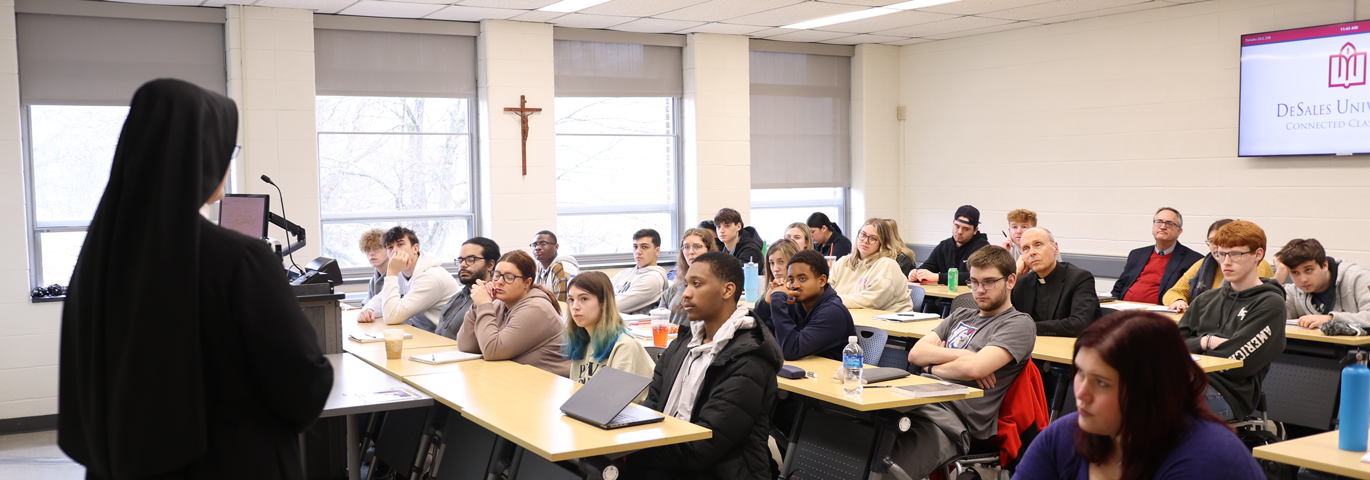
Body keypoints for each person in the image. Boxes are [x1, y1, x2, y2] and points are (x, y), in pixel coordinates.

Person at [59, 79, 332, 480]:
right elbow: (304, 384)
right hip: (231, 462)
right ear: (200, 156)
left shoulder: (95, 260)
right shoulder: (239, 260)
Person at [1014, 312, 1266, 480]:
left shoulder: (1207, 455)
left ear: (1149, 388)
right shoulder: (1064, 435)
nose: (1081, 394)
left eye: (1101, 382)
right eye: (1080, 373)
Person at [625, 252, 782, 479]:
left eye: (697, 284)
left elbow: (701, 447)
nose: (686, 294)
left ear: (727, 290)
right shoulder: (683, 344)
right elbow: (652, 408)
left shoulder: (749, 359)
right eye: (687, 284)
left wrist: (629, 453)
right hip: (666, 462)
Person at [896, 246, 1036, 477]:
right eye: (974, 282)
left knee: (886, 467)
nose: (979, 290)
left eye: (989, 282)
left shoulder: (1018, 324)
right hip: (918, 398)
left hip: (954, 419)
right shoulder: (961, 314)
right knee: (859, 434)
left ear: (1011, 280)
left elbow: (975, 368)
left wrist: (931, 365)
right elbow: (916, 353)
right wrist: (963, 355)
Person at [1178, 220, 1286, 421]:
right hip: (1186, 380)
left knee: (1156, 405)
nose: (1226, 262)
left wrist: (1191, 349)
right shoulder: (1205, 300)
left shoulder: (1270, 304)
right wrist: (1205, 341)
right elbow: (1171, 348)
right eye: (1220, 254)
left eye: (1235, 254)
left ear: (1258, 255)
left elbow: (1235, 362)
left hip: (1226, 393)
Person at [457, 250, 570, 376]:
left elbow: (492, 351)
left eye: (509, 278)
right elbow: (465, 346)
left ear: (527, 282)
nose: (500, 281)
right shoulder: (498, 303)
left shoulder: (536, 308)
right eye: (497, 275)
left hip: (550, 384)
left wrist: (484, 305)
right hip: (519, 378)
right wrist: (477, 305)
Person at [563, 271, 655, 401]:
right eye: (571, 300)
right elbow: (576, 395)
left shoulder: (624, 346)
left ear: (602, 302)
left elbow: (613, 402)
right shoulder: (582, 342)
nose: (575, 307)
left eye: (584, 299)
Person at [1164, 219, 1275, 312]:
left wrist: (1207, 339)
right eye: (1212, 241)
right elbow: (1173, 292)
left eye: (1234, 253)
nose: (1217, 246)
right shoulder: (1203, 264)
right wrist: (1178, 300)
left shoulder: (1254, 263)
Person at [766, 250, 857, 361]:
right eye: (791, 280)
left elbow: (791, 350)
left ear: (822, 281)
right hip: (805, 373)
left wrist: (778, 299)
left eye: (802, 279)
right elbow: (756, 334)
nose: (795, 285)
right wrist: (766, 303)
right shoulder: (794, 304)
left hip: (833, 376)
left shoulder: (833, 312)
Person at [1010, 227, 1101, 337]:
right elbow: (998, 317)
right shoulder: (1021, 283)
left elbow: (1078, 324)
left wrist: (1027, 327)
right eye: (1025, 248)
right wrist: (1015, 273)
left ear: (1055, 248)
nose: (1032, 252)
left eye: (1038, 245)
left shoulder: (1080, 278)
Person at [1274, 238, 1370, 333]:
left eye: (1308, 270)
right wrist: (1279, 274)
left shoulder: (1359, 278)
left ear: (1325, 265)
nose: (1303, 279)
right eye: (1295, 272)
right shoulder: (1293, 291)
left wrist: (1330, 318)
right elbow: (1267, 319)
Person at [373, 226, 459, 333]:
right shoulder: (402, 271)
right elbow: (381, 299)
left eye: (400, 244)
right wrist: (369, 310)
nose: (394, 251)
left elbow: (391, 317)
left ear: (415, 248)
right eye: (390, 247)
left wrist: (392, 272)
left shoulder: (430, 277)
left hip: (444, 339)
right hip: (421, 332)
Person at [1112, 207, 1203, 305]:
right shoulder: (1136, 254)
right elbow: (1119, 287)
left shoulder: (1194, 260)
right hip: (1123, 310)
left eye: (1169, 223)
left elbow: (1188, 295)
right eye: (1159, 222)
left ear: (1179, 231)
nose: (1163, 226)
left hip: (1159, 314)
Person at [830, 218, 915, 312]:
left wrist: (832, 300)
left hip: (889, 321)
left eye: (872, 238)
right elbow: (826, 289)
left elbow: (872, 300)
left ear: (882, 243)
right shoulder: (844, 261)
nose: (865, 241)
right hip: (852, 315)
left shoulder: (887, 265)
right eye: (863, 235)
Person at [910, 205, 991, 285]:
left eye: (966, 229)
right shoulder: (944, 245)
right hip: (944, 295)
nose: (959, 231)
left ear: (975, 230)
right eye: (957, 226)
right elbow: (929, 266)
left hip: (969, 296)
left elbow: (975, 276)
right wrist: (917, 273)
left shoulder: (982, 248)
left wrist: (938, 277)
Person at [436, 237, 499, 340]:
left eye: (471, 260)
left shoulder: (493, 300)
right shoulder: (459, 295)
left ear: (490, 265)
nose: (463, 265)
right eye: (460, 260)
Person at [660, 228, 717, 326]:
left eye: (697, 246)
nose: (691, 252)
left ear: (709, 249)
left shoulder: (715, 285)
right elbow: (659, 319)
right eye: (686, 247)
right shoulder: (676, 287)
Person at [611, 229, 670, 315]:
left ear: (657, 251)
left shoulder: (653, 279)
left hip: (630, 326)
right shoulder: (625, 273)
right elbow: (599, 293)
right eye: (635, 247)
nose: (638, 251)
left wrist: (611, 297)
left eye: (644, 247)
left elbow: (614, 306)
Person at [752, 239, 802, 332]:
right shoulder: (767, 295)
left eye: (781, 262)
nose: (775, 269)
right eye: (771, 263)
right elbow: (751, 326)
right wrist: (766, 304)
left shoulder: (799, 296)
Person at [532, 230, 578, 303]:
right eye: (534, 245)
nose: (537, 248)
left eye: (543, 244)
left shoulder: (561, 267)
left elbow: (563, 305)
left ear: (556, 247)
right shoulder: (538, 266)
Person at [357, 228, 389, 323]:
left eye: (376, 247)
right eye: (368, 249)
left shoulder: (398, 276)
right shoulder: (374, 280)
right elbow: (367, 305)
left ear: (389, 248)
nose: (371, 253)